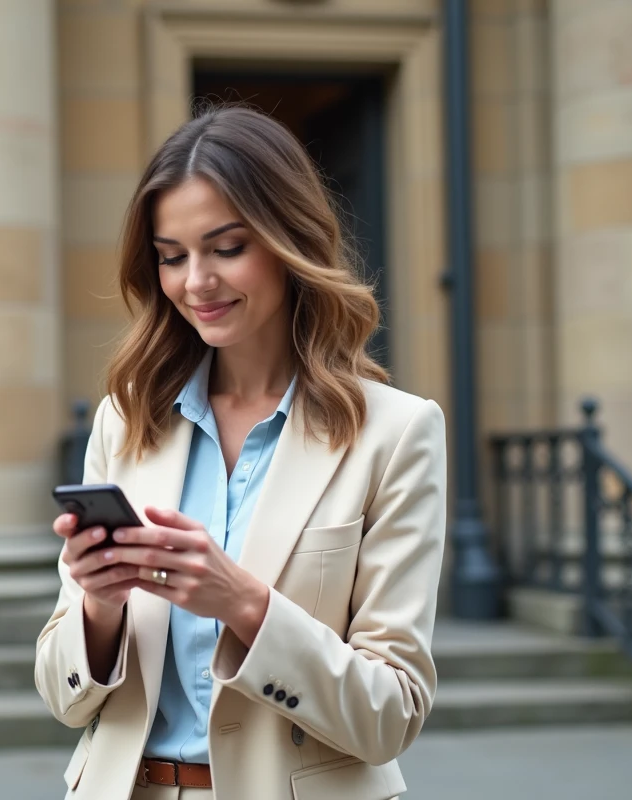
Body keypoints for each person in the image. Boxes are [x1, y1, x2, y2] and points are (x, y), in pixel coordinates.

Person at [35, 107, 447, 800]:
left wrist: (245, 605)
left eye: (226, 248)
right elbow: (63, 697)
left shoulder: (394, 433)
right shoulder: (127, 421)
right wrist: (99, 608)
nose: (196, 281)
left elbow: (391, 714)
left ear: (290, 242)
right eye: (172, 256)